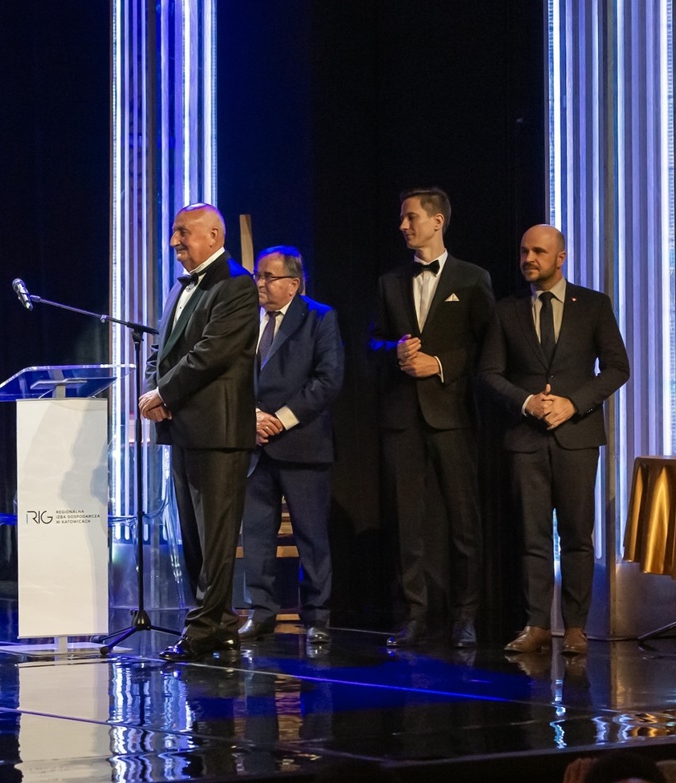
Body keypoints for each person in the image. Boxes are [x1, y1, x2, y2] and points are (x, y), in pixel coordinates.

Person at [479, 225, 628, 655]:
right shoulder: (506, 311)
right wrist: (527, 402)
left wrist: (573, 404)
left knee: (578, 535)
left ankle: (576, 628)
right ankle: (538, 626)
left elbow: (618, 367)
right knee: (533, 537)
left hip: (577, 437)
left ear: (560, 258)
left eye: (539, 252)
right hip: (526, 440)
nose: (529, 259)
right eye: (524, 251)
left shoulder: (593, 305)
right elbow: (489, 373)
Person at [370, 187, 494, 649]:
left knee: (463, 521)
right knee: (407, 522)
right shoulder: (389, 282)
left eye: (411, 218)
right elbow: (371, 342)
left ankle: (466, 616)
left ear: (437, 221)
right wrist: (395, 351)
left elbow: (487, 348)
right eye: (403, 219)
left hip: (452, 415)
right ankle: (414, 615)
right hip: (402, 418)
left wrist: (439, 364)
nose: (403, 226)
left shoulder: (472, 278)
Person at [140, 202, 259, 662]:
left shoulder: (237, 284)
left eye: (183, 231)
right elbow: (162, 349)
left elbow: (212, 353)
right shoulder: (180, 287)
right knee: (192, 536)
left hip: (218, 430)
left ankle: (204, 627)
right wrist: (153, 391)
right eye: (174, 232)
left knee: (215, 537)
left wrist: (163, 393)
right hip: (182, 427)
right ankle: (219, 624)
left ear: (213, 235)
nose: (175, 241)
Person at [238, 246, 344, 644]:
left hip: (302, 445)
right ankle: (261, 612)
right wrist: (250, 417)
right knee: (256, 535)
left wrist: (279, 419)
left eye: (268, 277)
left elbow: (327, 380)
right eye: (258, 276)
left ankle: (316, 617)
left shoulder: (319, 317)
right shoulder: (246, 319)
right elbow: (232, 375)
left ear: (293, 285)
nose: (260, 283)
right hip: (254, 445)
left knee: (311, 537)